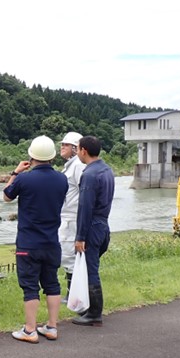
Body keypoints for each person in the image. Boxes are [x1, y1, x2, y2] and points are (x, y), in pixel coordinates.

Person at [2, 136, 68, 343]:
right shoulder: (62, 179)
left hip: (28, 243)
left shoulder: (24, 179)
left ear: (31, 156)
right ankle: (51, 326)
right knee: (52, 283)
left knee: (30, 286)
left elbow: (6, 197)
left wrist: (15, 173)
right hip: (51, 241)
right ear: (53, 156)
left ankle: (30, 330)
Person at [71, 136, 115, 327]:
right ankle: (90, 308)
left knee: (90, 268)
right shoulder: (106, 170)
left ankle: (94, 313)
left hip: (92, 226)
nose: (77, 152)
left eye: (77, 149)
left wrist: (80, 236)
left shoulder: (89, 175)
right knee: (92, 266)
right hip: (104, 224)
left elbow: (85, 207)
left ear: (84, 151)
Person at [57, 132, 85, 302]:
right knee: (67, 255)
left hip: (72, 218)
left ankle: (72, 294)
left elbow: (83, 192)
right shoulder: (70, 166)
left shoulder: (78, 167)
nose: (62, 147)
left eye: (65, 145)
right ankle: (71, 293)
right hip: (67, 217)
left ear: (75, 148)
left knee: (70, 256)